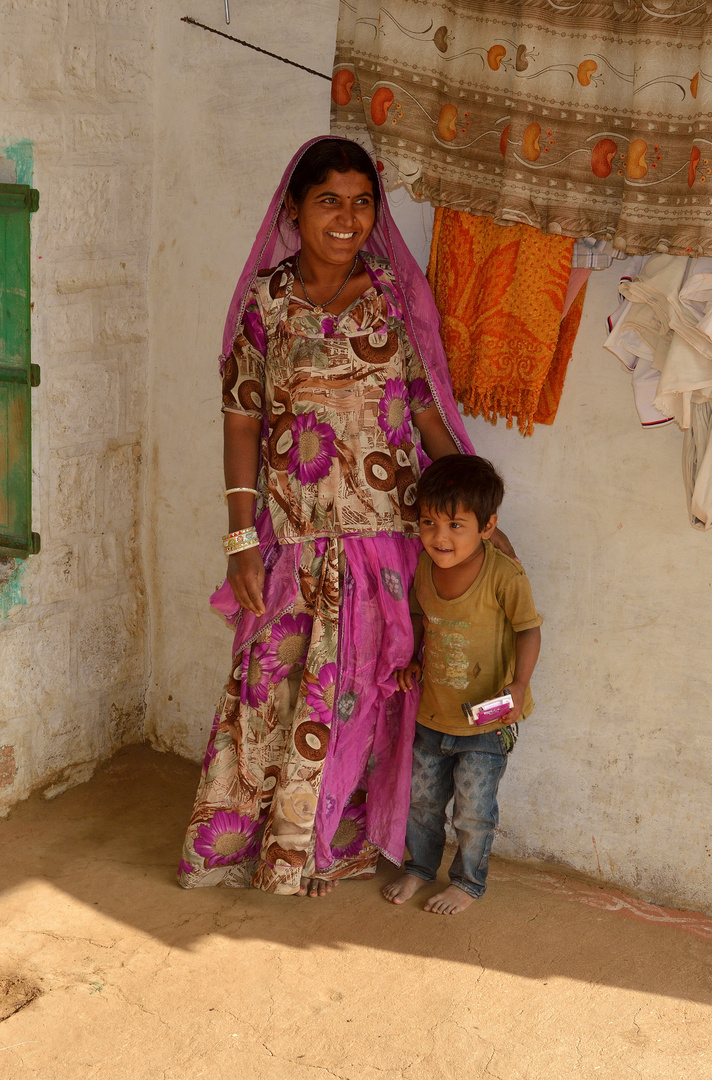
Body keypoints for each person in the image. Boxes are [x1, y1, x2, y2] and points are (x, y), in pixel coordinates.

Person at [177, 136, 512, 898]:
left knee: (369, 693)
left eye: (364, 202)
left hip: (387, 540)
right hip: (292, 540)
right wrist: (240, 541)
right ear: (295, 208)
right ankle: (256, 846)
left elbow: (425, 414)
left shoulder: (393, 297)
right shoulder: (266, 303)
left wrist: (473, 513)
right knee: (270, 692)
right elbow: (240, 423)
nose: (348, 218)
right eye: (330, 200)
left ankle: (335, 846)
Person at [382, 454, 541, 914]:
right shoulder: (423, 570)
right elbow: (417, 614)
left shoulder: (504, 575)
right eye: (429, 522)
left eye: (456, 525)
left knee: (473, 812)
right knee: (422, 803)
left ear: (487, 527)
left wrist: (520, 684)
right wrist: (413, 658)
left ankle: (468, 882)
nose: (439, 537)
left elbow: (529, 629)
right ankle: (420, 867)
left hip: (489, 720)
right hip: (433, 714)